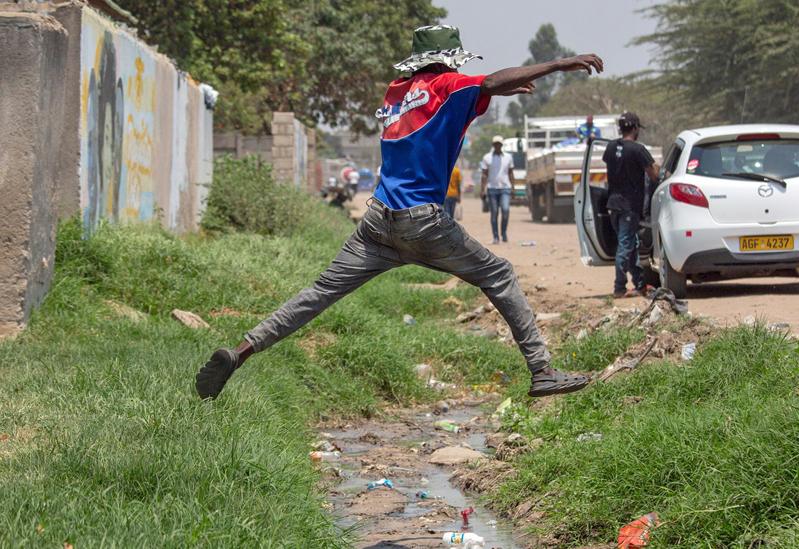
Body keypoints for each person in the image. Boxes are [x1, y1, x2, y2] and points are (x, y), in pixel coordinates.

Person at [195, 25, 603, 401]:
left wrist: (490, 92)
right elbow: (488, 81)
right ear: (448, 58)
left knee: (317, 294)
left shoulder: (396, 92)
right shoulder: (449, 84)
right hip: (423, 222)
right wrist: (560, 64)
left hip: (377, 222)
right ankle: (542, 371)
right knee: (499, 275)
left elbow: (468, 96)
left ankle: (240, 352)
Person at [602, 111, 659, 299]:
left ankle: (640, 284)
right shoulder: (638, 150)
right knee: (625, 245)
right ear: (635, 128)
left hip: (613, 205)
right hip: (629, 206)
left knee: (631, 243)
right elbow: (654, 175)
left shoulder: (611, 148)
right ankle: (619, 287)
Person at [480, 136, 515, 243]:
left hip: (505, 188)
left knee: (505, 210)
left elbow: (510, 173)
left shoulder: (508, 157)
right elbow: (484, 175)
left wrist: (513, 187)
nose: (497, 146)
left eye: (499, 144)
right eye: (495, 144)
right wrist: (482, 189)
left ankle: (503, 232)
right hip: (492, 189)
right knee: (494, 213)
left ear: (502, 145)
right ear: (493, 145)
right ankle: (495, 237)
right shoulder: (487, 157)